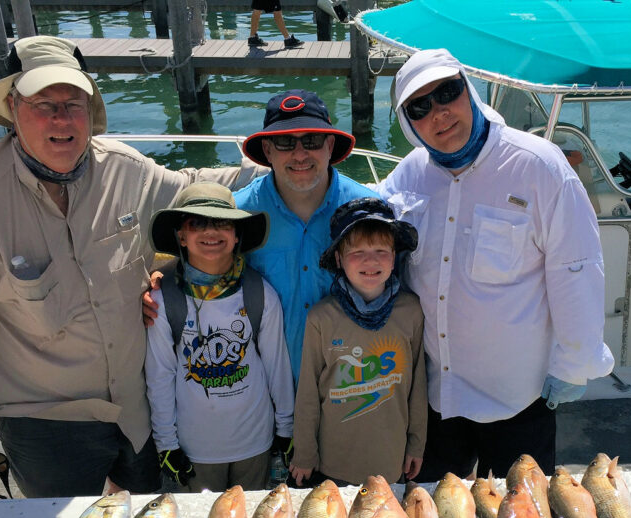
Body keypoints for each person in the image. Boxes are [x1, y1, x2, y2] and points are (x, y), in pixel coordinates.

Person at [0, 36, 262, 498]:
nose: (61, 119)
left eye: (73, 103)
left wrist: (270, 170)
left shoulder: (126, 168)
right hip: (43, 422)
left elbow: (190, 188)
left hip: (134, 408)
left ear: (90, 110)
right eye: (44, 104)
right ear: (13, 109)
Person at [377, 49, 614, 478]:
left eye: (448, 92)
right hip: (437, 396)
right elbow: (362, 214)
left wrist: (574, 366)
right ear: (408, 122)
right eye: (420, 107)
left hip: (519, 398)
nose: (439, 113)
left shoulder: (541, 166)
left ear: (470, 90)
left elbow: (577, 272)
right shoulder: (410, 173)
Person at [145, 183, 293, 492]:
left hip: (256, 443)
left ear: (237, 234)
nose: (211, 233)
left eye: (223, 223)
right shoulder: (162, 299)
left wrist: (286, 428)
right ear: (180, 236)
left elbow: (276, 367)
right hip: (193, 449)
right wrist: (165, 444)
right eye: (197, 223)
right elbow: (160, 375)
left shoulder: (260, 293)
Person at [231, 89, 373, 381]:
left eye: (311, 140)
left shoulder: (369, 212)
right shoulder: (237, 214)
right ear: (268, 151)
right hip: (264, 385)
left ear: (330, 145)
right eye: (284, 142)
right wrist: (162, 283)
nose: (299, 154)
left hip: (348, 382)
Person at [289, 197, 427, 487]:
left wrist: (416, 444)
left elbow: (418, 386)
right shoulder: (321, 317)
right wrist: (304, 452)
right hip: (333, 463)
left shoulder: (411, 310)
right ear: (338, 258)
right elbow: (308, 394)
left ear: (394, 256)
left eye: (381, 251)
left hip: (391, 461)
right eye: (358, 252)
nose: (370, 260)